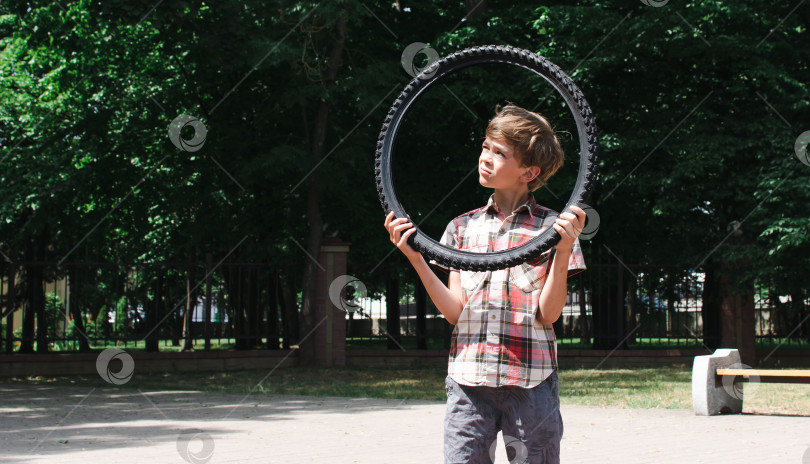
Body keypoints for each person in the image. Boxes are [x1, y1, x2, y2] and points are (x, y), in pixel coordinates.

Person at [383, 104, 587, 463]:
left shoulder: (554, 229)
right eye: (485, 147)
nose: (485, 158)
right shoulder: (461, 228)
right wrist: (415, 257)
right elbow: (453, 312)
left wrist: (564, 246)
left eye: (499, 153)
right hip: (468, 379)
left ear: (529, 171)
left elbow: (549, 313)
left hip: (530, 378)